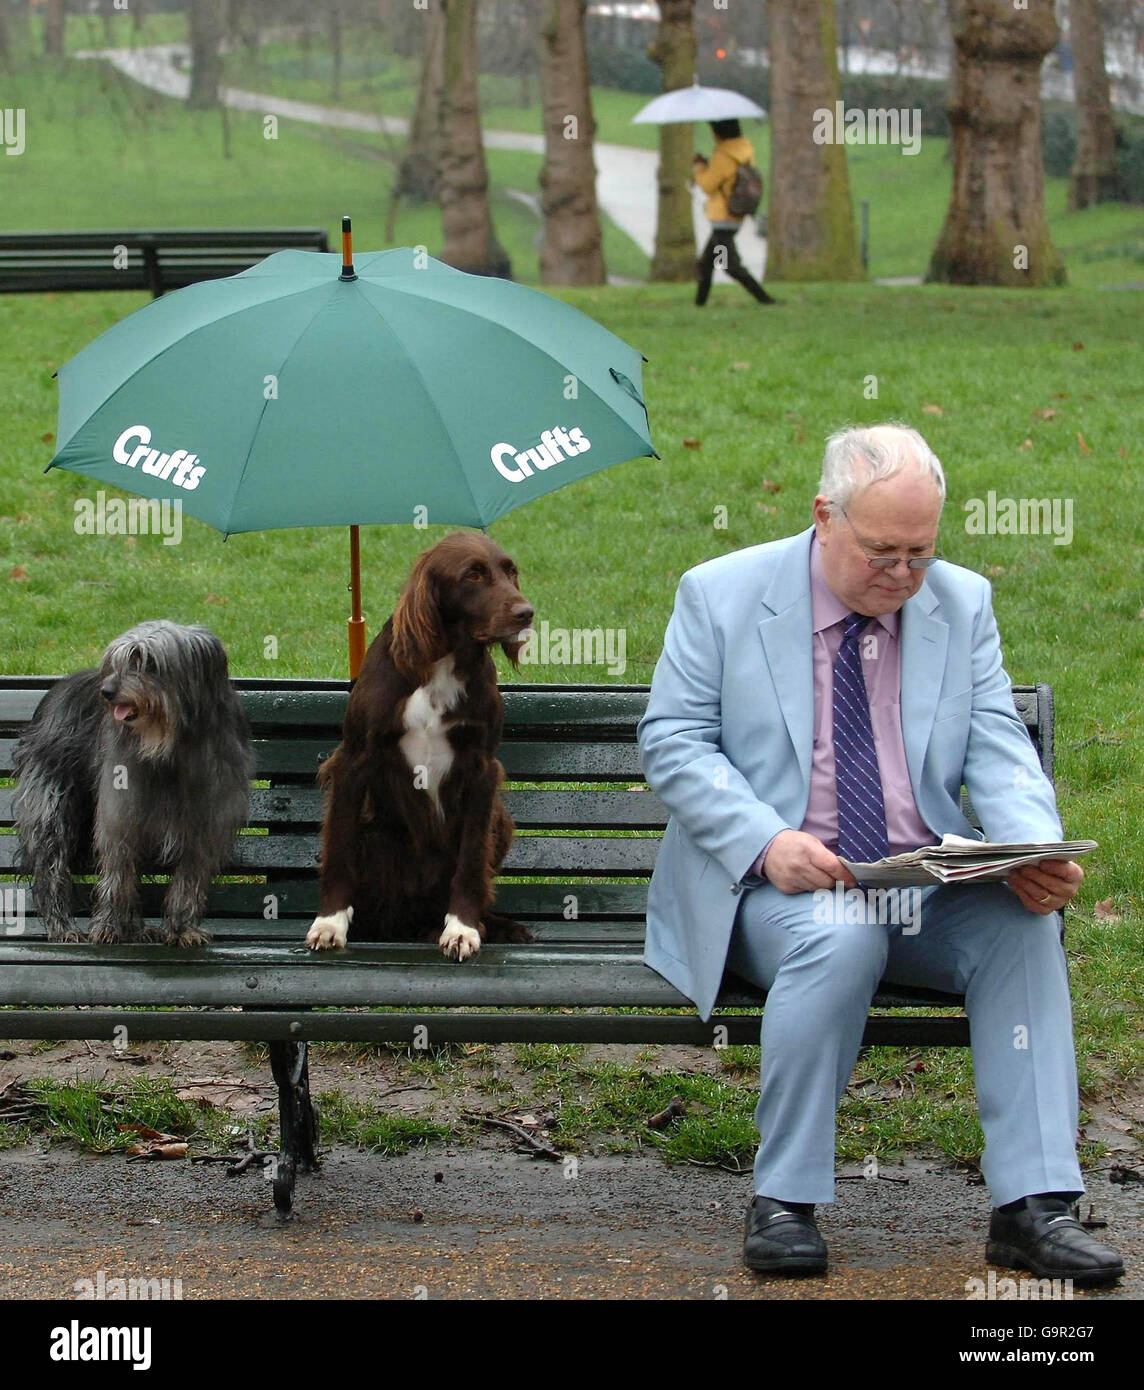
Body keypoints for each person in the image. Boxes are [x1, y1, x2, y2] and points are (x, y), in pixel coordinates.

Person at [636, 423, 1124, 1283]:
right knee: (840, 933)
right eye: (882, 553)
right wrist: (765, 840)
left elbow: (997, 746)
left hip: (916, 881)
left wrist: (1029, 851)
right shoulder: (722, 594)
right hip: (775, 891)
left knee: (1021, 929)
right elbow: (674, 740)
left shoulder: (960, 602)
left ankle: (1034, 1207)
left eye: (920, 554)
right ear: (824, 516)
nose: (902, 577)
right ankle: (784, 1201)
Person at [692, 118, 775, 307]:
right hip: (734, 215)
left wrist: (699, 167)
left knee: (729, 265)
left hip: (722, 218)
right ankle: (699, 303)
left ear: (719, 133)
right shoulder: (744, 151)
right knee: (706, 263)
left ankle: (765, 299)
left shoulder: (723, 155)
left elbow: (707, 185)